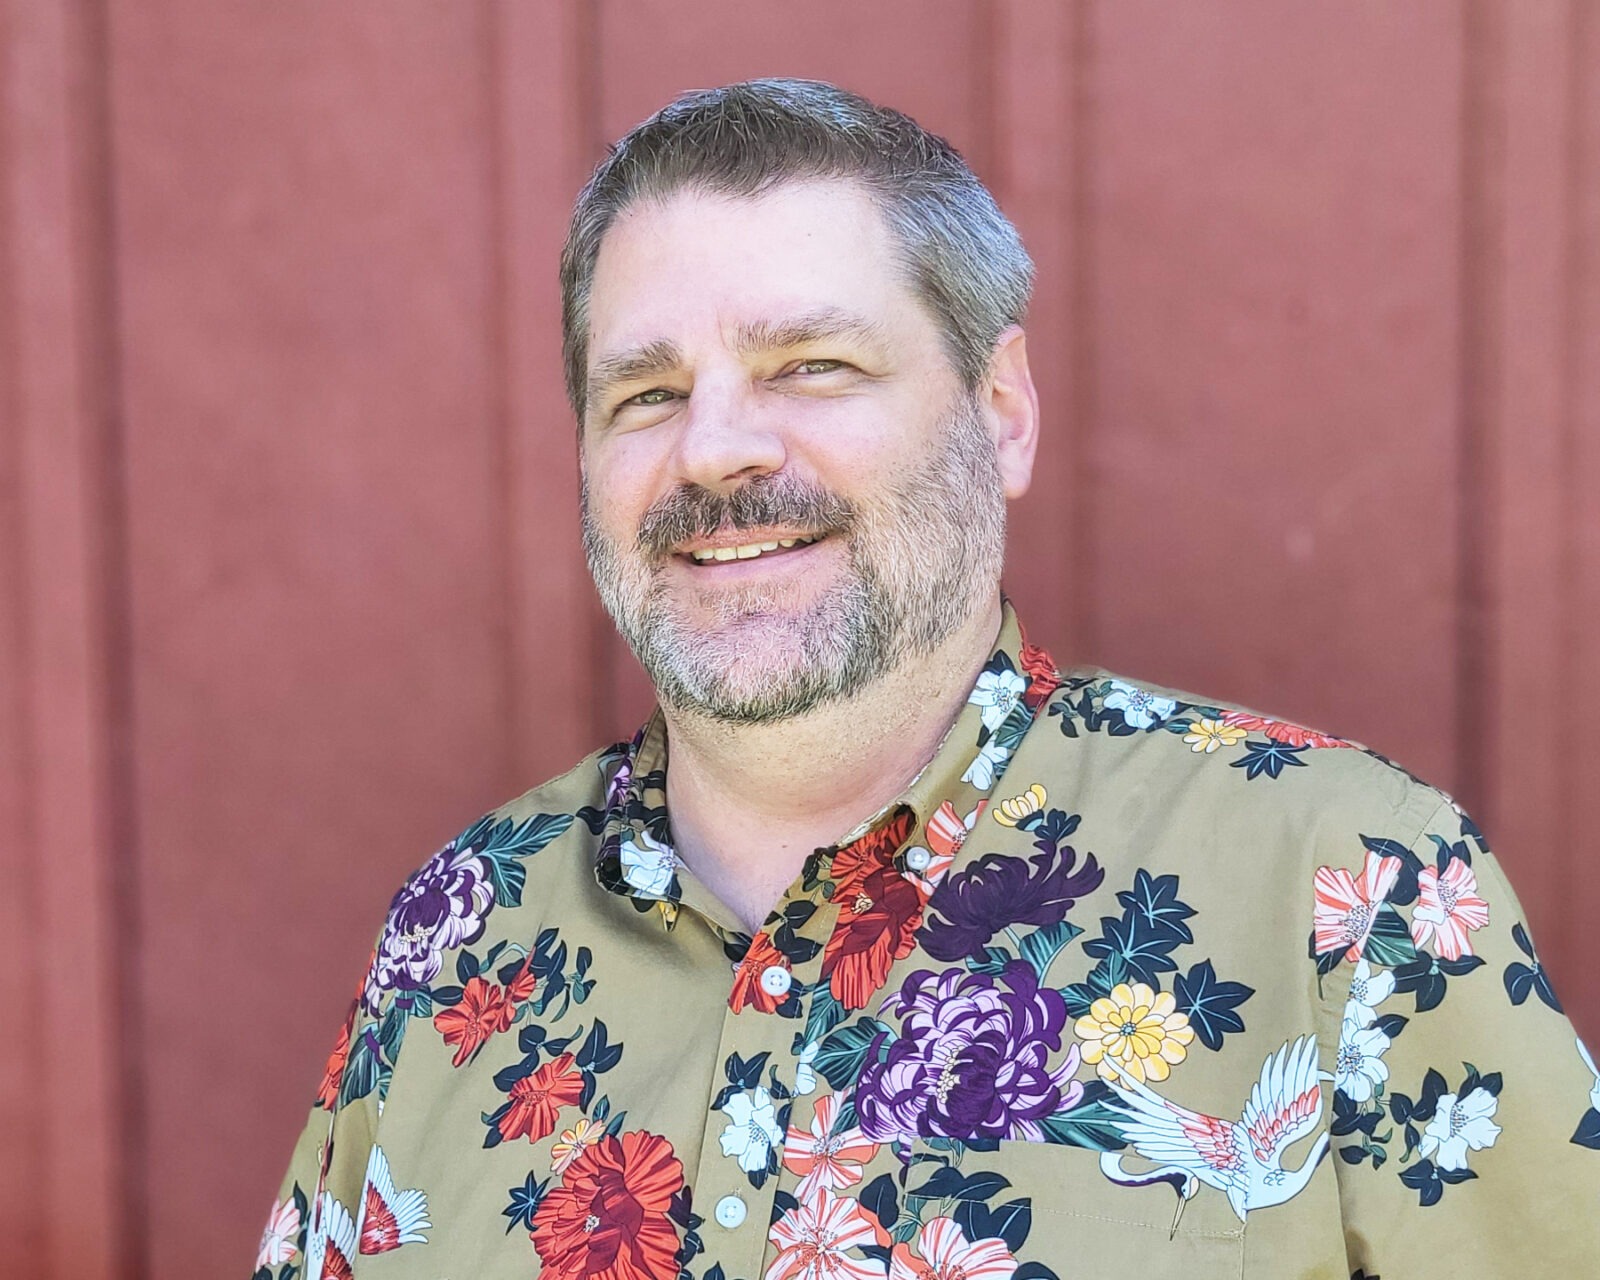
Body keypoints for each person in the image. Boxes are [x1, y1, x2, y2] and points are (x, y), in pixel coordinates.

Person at [255, 79, 1599, 1280]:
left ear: (999, 410)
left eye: (813, 366)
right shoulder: (458, 935)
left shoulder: (1347, 891)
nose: (717, 450)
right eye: (646, 395)